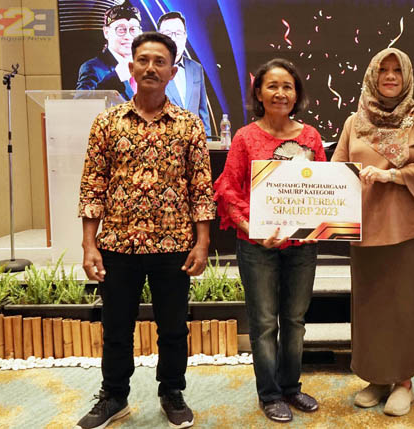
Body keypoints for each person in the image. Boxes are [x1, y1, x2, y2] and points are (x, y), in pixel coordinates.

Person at [76, 32, 215, 429]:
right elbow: (93, 185)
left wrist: (202, 242)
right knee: (116, 327)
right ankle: (114, 396)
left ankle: (171, 392)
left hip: (174, 244)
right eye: (143, 60)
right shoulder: (107, 122)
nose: (151, 67)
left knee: (173, 328)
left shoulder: (189, 125)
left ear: (172, 71)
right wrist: (89, 245)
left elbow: (201, 188)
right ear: (131, 67)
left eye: (160, 61)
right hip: (118, 244)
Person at [332, 47, 414, 417]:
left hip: (405, 227)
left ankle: (403, 382)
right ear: (373, 75)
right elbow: (337, 169)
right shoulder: (355, 121)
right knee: (368, 307)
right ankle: (377, 378)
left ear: (407, 76)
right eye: (384, 70)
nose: (391, 76)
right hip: (363, 228)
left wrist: (392, 175)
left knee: (402, 306)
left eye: (398, 70)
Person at [213, 58, 325, 423]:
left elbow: (324, 189)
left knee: (295, 320)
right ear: (259, 93)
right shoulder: (245, 137)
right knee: (263, 323)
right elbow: (228, 190)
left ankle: (291, 387)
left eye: (287, 86)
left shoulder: (310, 137)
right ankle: (270, 394)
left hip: (301, 246)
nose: (280, 93)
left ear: (296, 94)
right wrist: (253, 229)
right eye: (272, 86)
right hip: (256, 245)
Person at [157, 11, 212, 135]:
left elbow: (203, 112)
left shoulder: (196, 68)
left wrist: (207, 141)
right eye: (168, 34)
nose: (174, 39)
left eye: (178, 33)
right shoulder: (151, 71)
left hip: (195, 142)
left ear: (185, 36)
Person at [76, 0, 142, 100]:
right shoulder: (93, 68)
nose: (128, 36)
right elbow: (81, 104)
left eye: (133, 30)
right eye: (121, 30)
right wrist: (116, 77)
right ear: (106, 32)